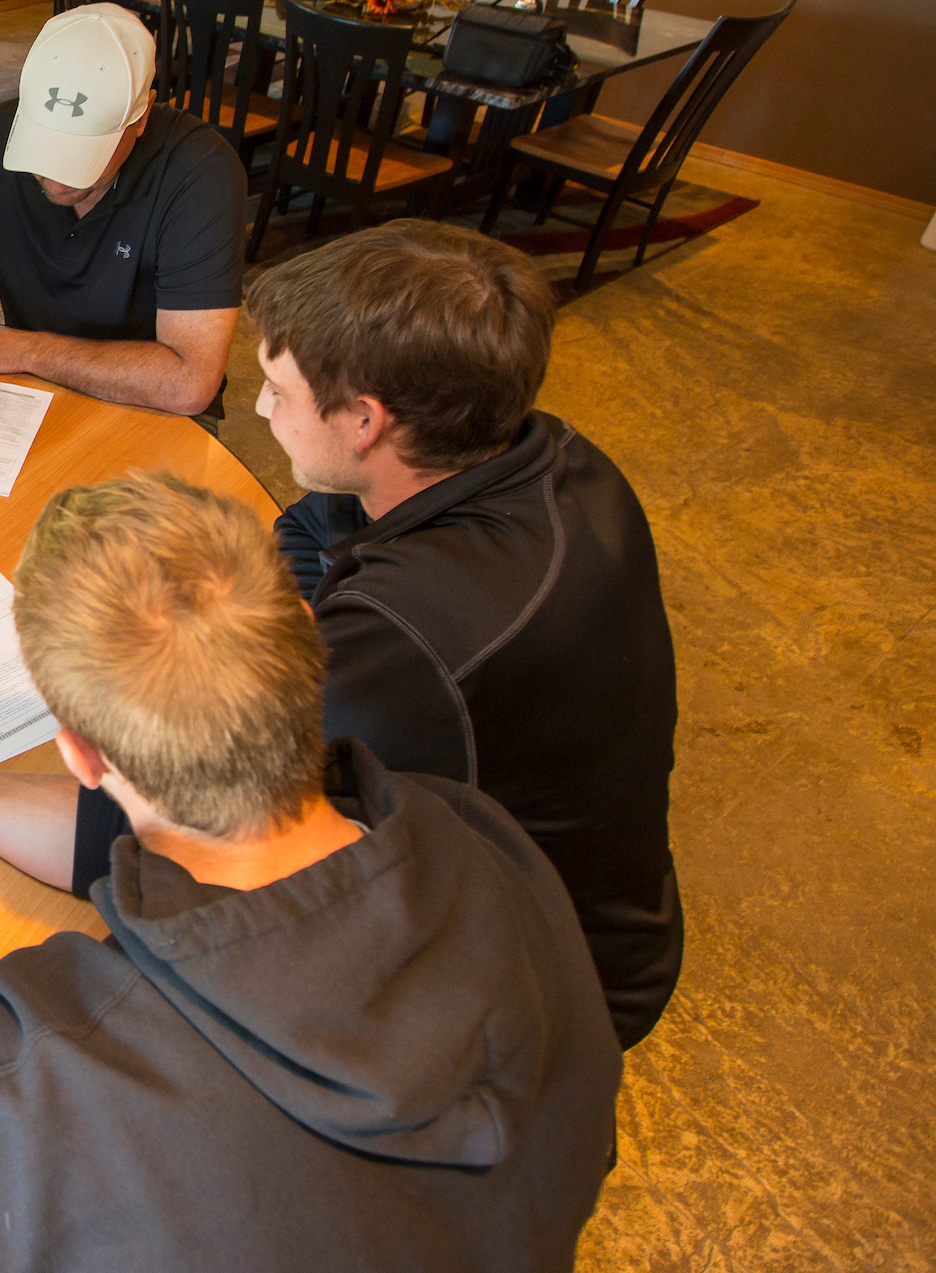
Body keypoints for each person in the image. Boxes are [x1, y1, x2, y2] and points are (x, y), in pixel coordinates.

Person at [0, 475, 622, 1273]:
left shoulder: (36, 1086)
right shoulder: (476, 838)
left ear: (79, 755)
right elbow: (187, 837)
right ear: (306, 636)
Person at [241, 219, 682, 1046]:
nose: (261, 408)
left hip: (549, 984)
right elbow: (313, 524)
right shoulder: (552, 455)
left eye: (278, 390)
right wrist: (315, 619)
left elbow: (232, 794)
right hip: (619, 908)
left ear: (365, 421)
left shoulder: (413, 630)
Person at [0, 3, 246, 426]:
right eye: (43, 147)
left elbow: (189, 382)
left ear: (142, 115)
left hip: (154, 410)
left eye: (83, 154)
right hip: (33, 391)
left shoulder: (201, 174)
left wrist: (25, 349)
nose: (56, 180)